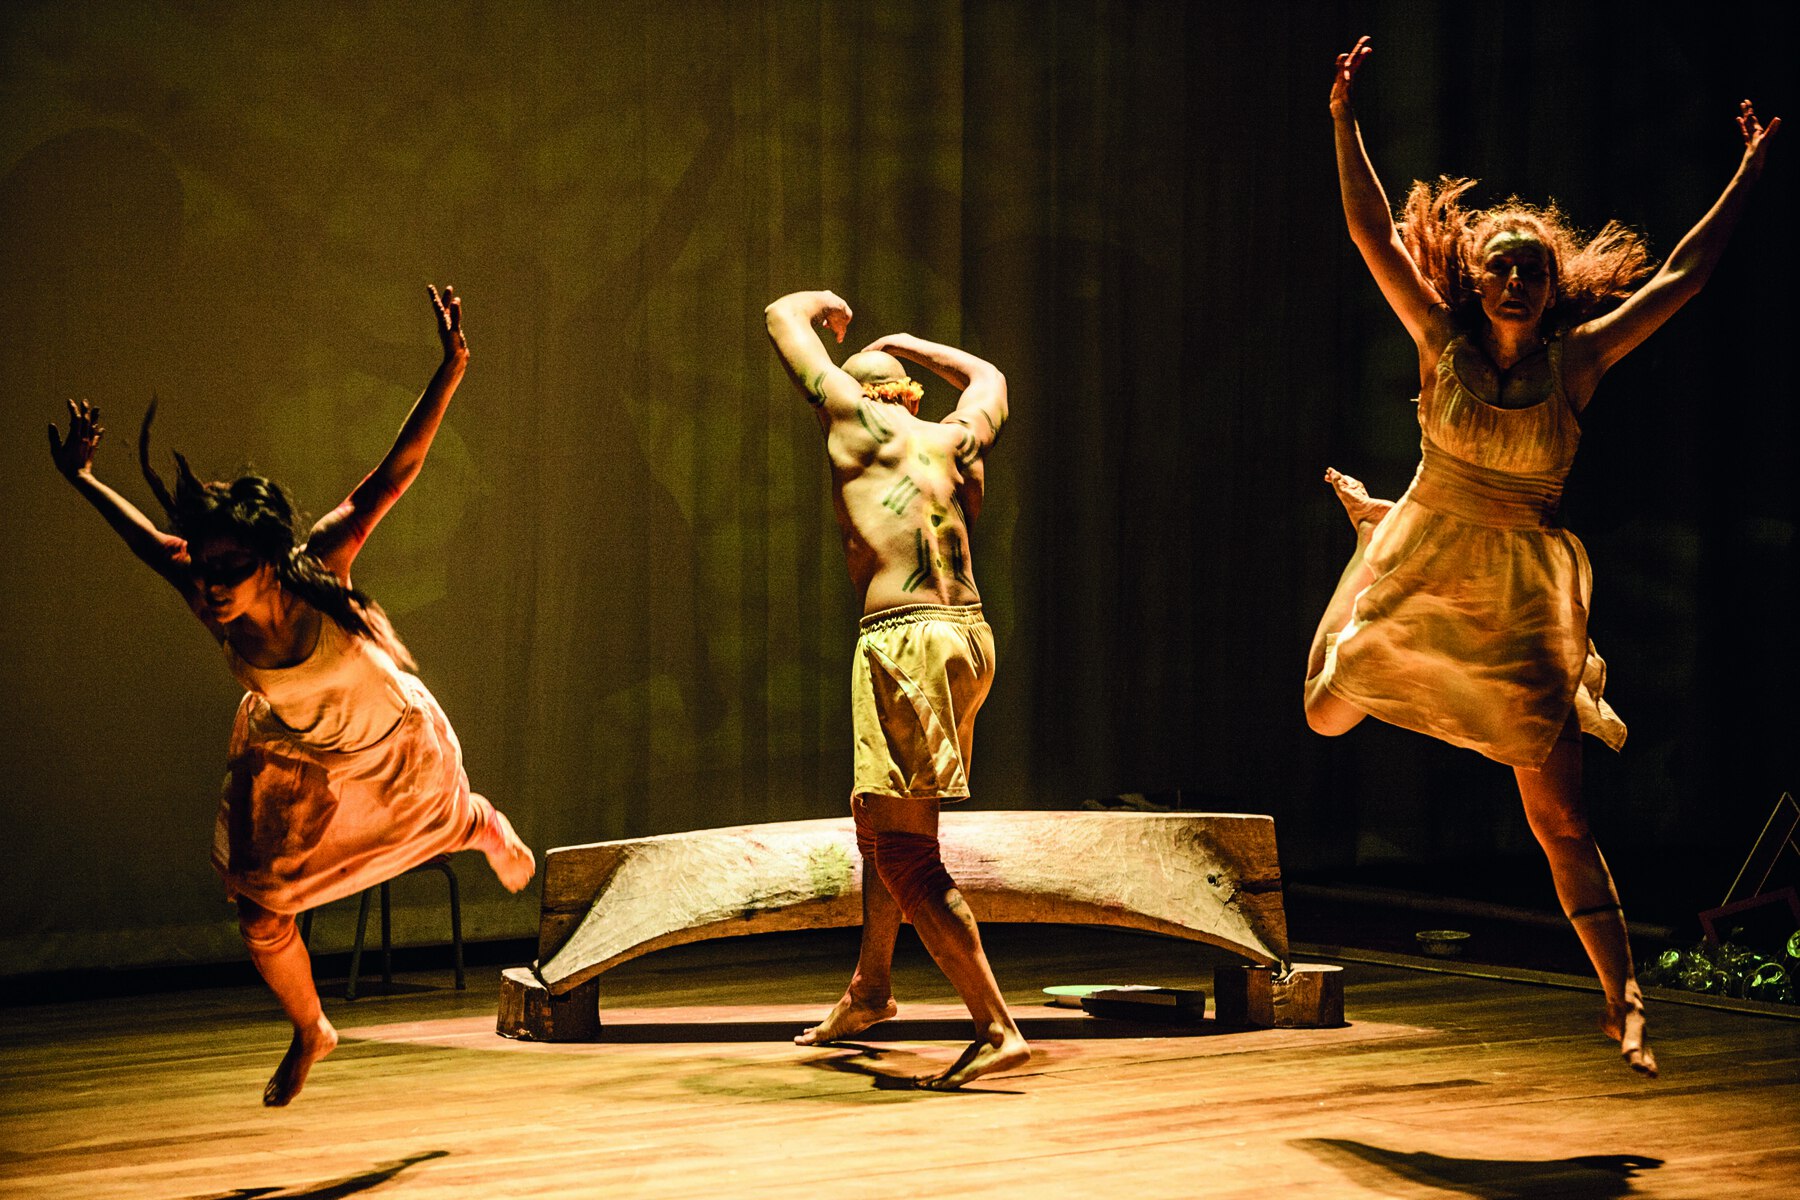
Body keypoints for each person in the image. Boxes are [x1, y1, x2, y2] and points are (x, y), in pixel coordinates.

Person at [1308, 37, 1779, 1077]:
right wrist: (1343, 118)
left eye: (1532, 269)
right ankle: (1380, 531)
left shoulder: (1580, 362)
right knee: (1326, 707)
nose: (1517, 282)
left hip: (1521, 591)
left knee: (1557, 814)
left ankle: (1625, 996)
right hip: (1431, 556)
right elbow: (1370, 232)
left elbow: (1690, 277)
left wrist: (1748, 171)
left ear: (1550, 283)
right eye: (1501, 268)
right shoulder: (1444, 348)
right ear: (1476, 283)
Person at [48, 286, 535, 1106]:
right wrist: (82, 478)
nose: (210, 591)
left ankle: (475, 822)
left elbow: (397, 472)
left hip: (390, 742)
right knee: (258, 911)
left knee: (439, 823)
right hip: (299, 753)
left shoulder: (317, 569)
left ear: (270, 562)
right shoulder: (210, 593)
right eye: (203, 573)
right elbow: (145, 541)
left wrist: (451, 368)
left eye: (228, 573)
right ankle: (312, 1029)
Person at [764, 289, 1028, 1089]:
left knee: (908, 852)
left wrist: (824, 303)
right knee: (874, 812)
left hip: (904, 643)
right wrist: (914, 340)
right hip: (970, 637)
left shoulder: (854, 421)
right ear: (911, 394)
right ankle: (870, 990)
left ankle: (996, 1027)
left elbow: (782, 315)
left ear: (860, 391)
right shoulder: (951, 438)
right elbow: (990, 378)